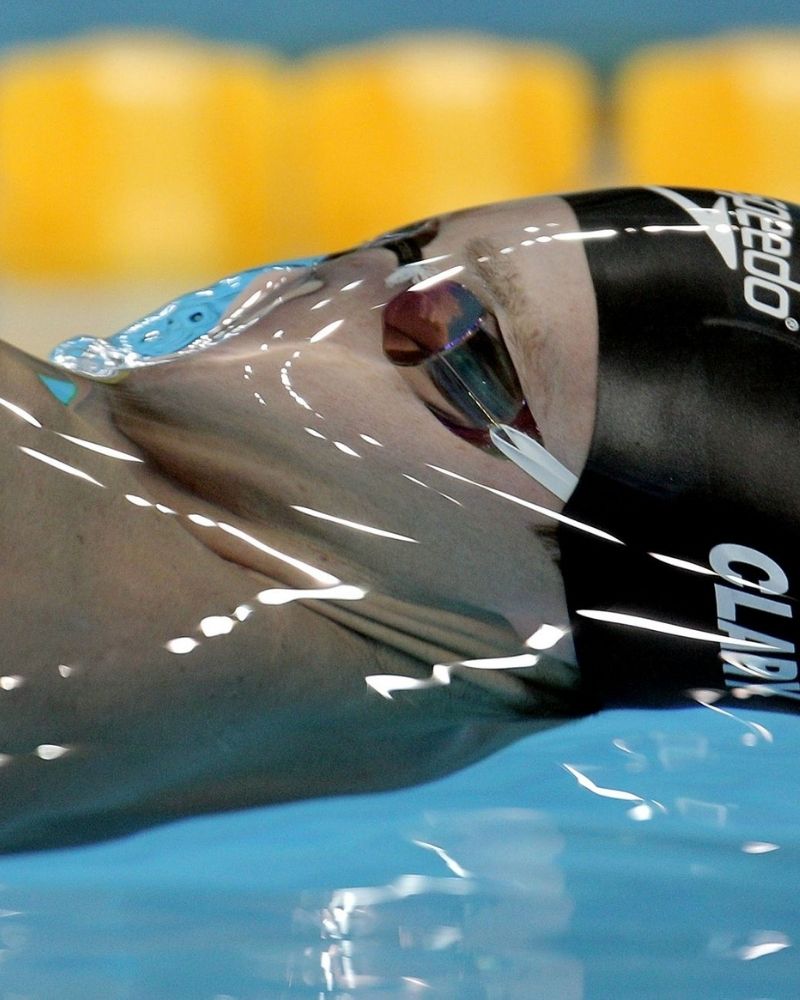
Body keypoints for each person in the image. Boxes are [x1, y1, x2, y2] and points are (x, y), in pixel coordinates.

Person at [1, 185, 798, 853]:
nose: (345, 274)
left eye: (456, 340)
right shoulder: (392, 746)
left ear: (551, 611)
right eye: (411, 244)